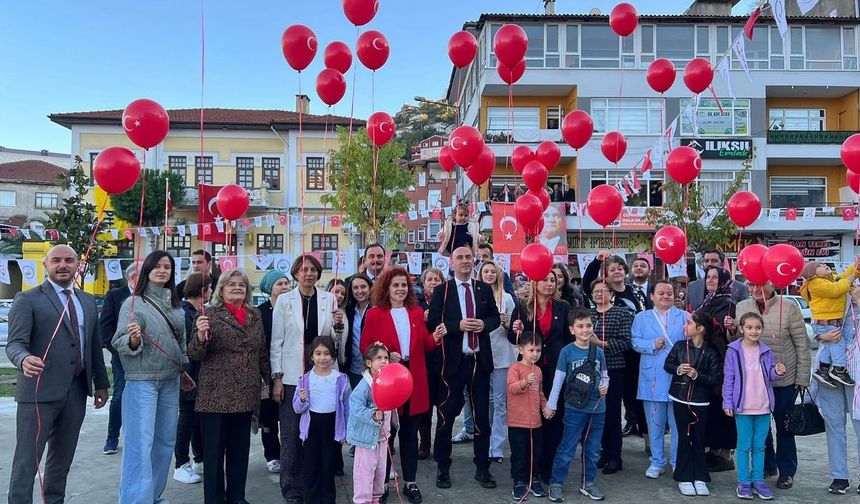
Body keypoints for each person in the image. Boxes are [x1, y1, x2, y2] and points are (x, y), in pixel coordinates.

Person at [6, 244, 110, 504]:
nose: (63, 265)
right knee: (27, 461)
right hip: (38, 392)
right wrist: (24, 359)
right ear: (45, 265)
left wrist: (101, 383)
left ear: (78, 265)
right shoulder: (27, 299)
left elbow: (93, 346)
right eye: (56, 260)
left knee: (61, 460)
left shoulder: (86, 301)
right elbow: (15, 344)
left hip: (76, 391)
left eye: (69, 260)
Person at [113, 250, 192, 504]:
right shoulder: (133, 303)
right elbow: (120, 341)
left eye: (167, 267)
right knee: (139, 444)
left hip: (170, 380)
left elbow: (181, 343)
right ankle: (136, 500)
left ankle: (154, 496)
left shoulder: (176, 305)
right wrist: (134, 339)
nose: (162, 270)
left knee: (165, 442)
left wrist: (184, 370)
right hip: (142, 380)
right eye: (157, 266)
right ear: (147, 270)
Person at [361, 266, 445, 503]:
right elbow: (365, 347)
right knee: (387, 433)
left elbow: (425, 344)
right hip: (389, 380)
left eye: (404, 285)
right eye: (395, 285)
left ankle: (410, 482)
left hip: (415, 379)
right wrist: (386, 354)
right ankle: (384, 482)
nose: (400, 289)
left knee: (409, 434)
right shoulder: (375, 313)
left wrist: (436, 337)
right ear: (386, 288)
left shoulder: (416, 311)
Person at [188, 269, 270, 504]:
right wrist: (201, 337)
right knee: (214, 455)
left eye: (242, 285)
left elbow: (261, 351)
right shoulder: (209, 315)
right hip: (216, 396)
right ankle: (214, 499)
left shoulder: (255, 315)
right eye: (231, 284)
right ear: (221, 289)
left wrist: (269, 379)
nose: (237, 288)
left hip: (246, 394)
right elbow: (194, 353)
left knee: (239, 452)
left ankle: (237, 497)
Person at [271, 254, 345, 503]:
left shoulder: (329, 298)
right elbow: (277, 342)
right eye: (303, 270)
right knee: (291, 434)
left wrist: (337, 327)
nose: (308, 274)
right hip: (292, 375)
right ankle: (292, 488)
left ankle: (319, 484)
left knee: (317, 433)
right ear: (295, 273)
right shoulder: (284, 300)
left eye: (313, 270)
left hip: (320, 373)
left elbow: (334, 343)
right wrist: (277, 378)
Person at [427, 246, 501, 490]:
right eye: (460, 257)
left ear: (474, 260)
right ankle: (442, 468)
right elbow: (433, 322)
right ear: (451, 262)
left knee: (482, 418)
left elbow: (495, 317)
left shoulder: (483, 288)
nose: (465, 261)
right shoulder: (442, 290)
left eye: (469, 257)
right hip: (453, 364)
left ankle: (483, 468)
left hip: (479, 362)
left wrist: (485, 324)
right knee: (447, 417)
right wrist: (457, 325)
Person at [733, 281, 810, 490]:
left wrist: (802, 379)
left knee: (784, 428)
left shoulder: (789, 307)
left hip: (784, 380)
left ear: (771, 283)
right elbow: (738, 341)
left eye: (761, 284)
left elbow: (802, 345)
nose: (756, 289)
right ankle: (768, 464)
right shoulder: (742, 306)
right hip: (755, 381)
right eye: (751, 284)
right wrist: (731, 328)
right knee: (761, 429)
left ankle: (787, 472)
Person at [509, 271, 571, 484]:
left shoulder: (563, 307)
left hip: (555, 370)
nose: (549, 283)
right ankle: (526, 470)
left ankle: (546, 468)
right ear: (535, 282)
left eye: (553, 280)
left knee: (552, 418)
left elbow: (569, 338)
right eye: (545, 279)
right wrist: (514, 329)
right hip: (529, 372)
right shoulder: (521, 306)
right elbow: (512, 337)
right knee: (529, 422)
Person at [544, 307, 609, 502]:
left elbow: (605, 375)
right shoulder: (566, 352)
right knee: (567, 448)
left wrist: (605, 386)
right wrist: (551, 404)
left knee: (593, 449)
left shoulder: (598, 352)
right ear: (572, 329)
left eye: (588, 325)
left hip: (598, 408)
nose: (585, 330)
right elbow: (558, 380)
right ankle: (556, 483)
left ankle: (589, 483)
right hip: (574, 409)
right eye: (580, 326)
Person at [722, 312, 786, 500]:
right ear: (741, 329)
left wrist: (778, 371)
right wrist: (727, 401)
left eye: (758, 327)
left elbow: (770, 376)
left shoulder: (766, 351)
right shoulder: (733, 350)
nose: (754, 331)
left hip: (763, 406)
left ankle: (758, 480)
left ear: (762, 329)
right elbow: (729, 379)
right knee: (743, 446)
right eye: (749, 327)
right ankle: (744, 482)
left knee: (760, 446)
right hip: (743, 407)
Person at [664, 311, 723, 497]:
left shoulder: (711, 352)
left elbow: (714, 378)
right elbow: (668, 365)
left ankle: (700, 477)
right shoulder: (680, 346)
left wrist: (698, 376)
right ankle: (683, 476)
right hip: (680, 398)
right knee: (684, 437)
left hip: (701, 401)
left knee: (699, 439)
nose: (685, 326)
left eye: (689, 323)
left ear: (700, 329)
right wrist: (678, 368)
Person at [631, 280, 686, 479]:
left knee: (678, 424)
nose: (665, 296)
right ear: (652, 296)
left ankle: (678, 461)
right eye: (661, 293)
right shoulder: (642, 318)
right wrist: (651, 344)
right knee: (655, 424)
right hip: (652, 376)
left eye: (669, 293)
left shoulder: (685, 317)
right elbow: (635, 342)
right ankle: (657, 461)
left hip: (678, 378)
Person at [293, 337, 351, 504]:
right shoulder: (304, 379)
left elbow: (347, 407)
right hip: (311, 427)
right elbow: (296, 408)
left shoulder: (341, 379)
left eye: (327, 354)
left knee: (327, 468)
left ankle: (327, 500)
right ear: (311, 357)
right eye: (318, 353)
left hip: (331, 426)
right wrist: (302, 400)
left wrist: (345, 430)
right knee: (311, 468)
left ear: (333, 357)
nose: (322, 357)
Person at [814, 285, 860, 495]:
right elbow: (816, 325)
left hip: (856, 371)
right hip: (829, 371)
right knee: (833, 423)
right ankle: (839, 476)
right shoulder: (831, 294)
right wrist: (821, 337)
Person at [590, 278, 634, 474]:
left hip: (614, 369)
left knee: (613, 414)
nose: (601, 294)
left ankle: (615, 457)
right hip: (591, 370)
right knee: (597, 414)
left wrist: (601, 344)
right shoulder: (588, 314)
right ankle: (604, 453)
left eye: (604, 290)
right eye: (596, 291)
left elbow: (626, 342)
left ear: (611, 293)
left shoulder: (621, 313)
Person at [697, 266, 738, 472]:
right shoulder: (709, 300)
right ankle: (714, 452)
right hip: (709, 361)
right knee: (712, 409)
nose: (711, 280)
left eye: (715, 277)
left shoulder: (727, 302)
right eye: (708, 277)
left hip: (722, 363)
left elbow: (718, 329)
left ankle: (724, 455)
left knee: (722, 409)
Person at [174, 272, 211, 485]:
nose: (212, 292)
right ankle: (181, 464)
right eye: (210, 288)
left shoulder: (197, 311)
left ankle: (199, 458)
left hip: (199, 374)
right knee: (186, 419)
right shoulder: (186, 313)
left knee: (196, 419)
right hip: (188, 373)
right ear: (203, 290)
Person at [478, 260, 517, 465]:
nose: (490, 274)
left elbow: (514, 329)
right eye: (486, 271)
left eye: (493, 271)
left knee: (501, 402)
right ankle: (482, 443)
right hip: (480, 353)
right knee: (485, 401)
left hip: (502, 355)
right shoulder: (475, 295)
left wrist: (506, 323)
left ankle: (497, 447)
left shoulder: (508, 299)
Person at [101, 260, 141, 455]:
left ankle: (138, 438)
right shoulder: (116, 296)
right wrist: (117, 348)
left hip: (146, 358)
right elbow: (105, 328)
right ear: (132, 277)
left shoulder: (150, 296)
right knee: (120, 395)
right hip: (121, 356)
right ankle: (112, 437)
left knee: (141, 399)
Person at [799, 259, 857, 387]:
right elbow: (836, 289)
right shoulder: (816, 284)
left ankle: (823, 370)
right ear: (812, 274)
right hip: (825, 321)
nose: (825, 265)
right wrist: (852, 278)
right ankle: (838, 369)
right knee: (837, 342)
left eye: (824, 264)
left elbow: (843, 277)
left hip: (829, 321)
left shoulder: (829, 279)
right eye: (819, 266)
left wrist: (856, 267)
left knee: (829, 345)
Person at [348, 342, 393, 504]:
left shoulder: (387, 381)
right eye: (378, 358)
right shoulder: (364, 386)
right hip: (367, 439)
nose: (383, 361)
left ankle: (375, 498)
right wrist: (372, 414)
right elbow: (355, 407)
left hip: (382, 437)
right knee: (364, 473)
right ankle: (362, 501)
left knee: (380, 473)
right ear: (368, 363)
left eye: (386, 358)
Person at [507, 332, 550, 501]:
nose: (535, 354)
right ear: (520, 349)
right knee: (519, 454)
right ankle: (519, 481)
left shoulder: (538, 370)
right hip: (518, 422)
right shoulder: (515, 368)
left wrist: (545, 406)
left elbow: (539, 392)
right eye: (531, 350)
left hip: (536, 423)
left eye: (538, 350)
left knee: (535, 453)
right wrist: (525, 381)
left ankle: (533, 479)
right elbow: (512, 388)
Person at [257, 270, 291, 473]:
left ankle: (290, 453)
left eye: (287, 283)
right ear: (270, 288)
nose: (285, 287)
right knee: (268, 415)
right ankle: (272, 454)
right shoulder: (260, 312)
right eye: (280, 284)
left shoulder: (294, 307)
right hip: (266, 369)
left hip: (290, 367)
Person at [417, 268, 443, 460]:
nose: (433, 282)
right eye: (430, 279)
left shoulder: (446, 301)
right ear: (423, 283)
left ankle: (442, 442)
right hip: (423, 360)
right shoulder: (416, 304)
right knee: (424, 407)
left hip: (443, 359)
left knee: (443, 404)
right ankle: (424, 443)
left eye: (437, 279)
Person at [583, 253, 647, 312]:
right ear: (605, 275)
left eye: (620, 269)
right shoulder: (601, 293)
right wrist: (597, 261)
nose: (617, 272)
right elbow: (587, 284)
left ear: (625, 272)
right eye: (612, 270)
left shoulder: (637, 291)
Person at [341, 274, 373, 388]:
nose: (360, 291)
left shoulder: (376, 309)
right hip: (353, 368)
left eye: (363, 287)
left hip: (372, 369)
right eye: (355, 288)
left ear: (370, 288)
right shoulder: (349, 310)